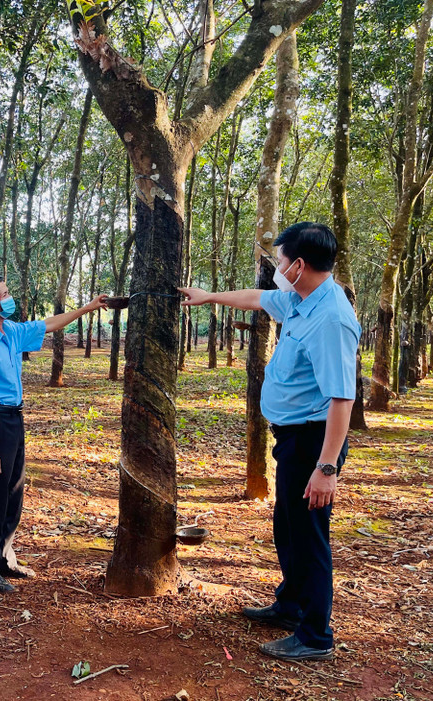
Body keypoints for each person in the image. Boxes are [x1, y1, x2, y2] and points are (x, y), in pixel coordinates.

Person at [179, 222, 360, 661]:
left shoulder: (331, 318)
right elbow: (259, 298)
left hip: (313, 442)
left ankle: (316, 635)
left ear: (298, 265)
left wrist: (326, 468)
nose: (277, 269)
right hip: (293, 439)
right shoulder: (301, 299)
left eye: (280, 261)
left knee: (310, 536)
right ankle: (291, 605)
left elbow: (342, 399)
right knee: (288, 528)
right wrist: (209, 296)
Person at [0, 275, 107, 592]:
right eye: (5, 294)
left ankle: (2, 558)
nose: (10, 297)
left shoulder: (11, 332)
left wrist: (89, 307)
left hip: (14, 419)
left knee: (13, 495)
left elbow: (50, 324)